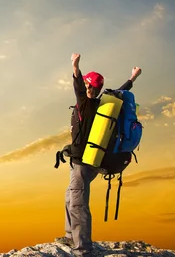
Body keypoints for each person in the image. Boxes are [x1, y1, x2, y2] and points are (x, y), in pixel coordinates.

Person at [55, 53, 142, 256]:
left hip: (83, 163)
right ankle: (70, 236)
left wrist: (75, 66)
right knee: (70, 196)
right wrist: (133, 78)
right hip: (92, 161)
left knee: (78, 204)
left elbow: (77, 85)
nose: (88, 89)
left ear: (88, 87)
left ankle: (83, 249)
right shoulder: (104, 105)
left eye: (88, 86)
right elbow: (121, 91)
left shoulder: (85, 103)